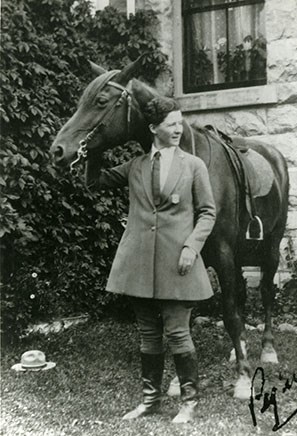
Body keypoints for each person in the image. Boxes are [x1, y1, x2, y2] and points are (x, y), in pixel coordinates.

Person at [85, 96, 216, 423]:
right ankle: (150, 401)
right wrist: (93, 150)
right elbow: (94, 182)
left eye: (180, 122)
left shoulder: (193, 165)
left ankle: (189, 402)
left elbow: (208, 212)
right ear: (153, 128)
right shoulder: (136, 166)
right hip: (140, 263)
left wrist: (191, 247)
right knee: (147, 333)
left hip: (178, 262)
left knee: (177, 332)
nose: (178, 128)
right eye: (171, 124)